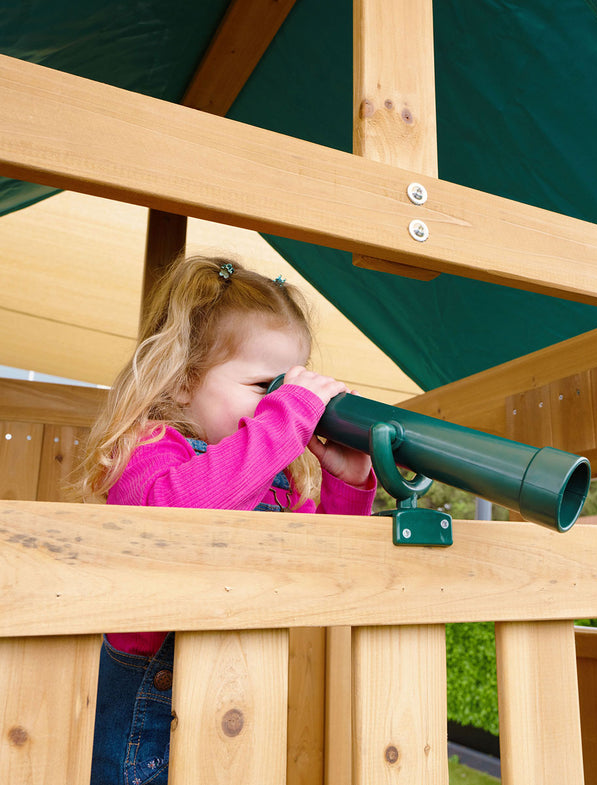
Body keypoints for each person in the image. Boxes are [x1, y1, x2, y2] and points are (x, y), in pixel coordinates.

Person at [77, 254, 376, 785]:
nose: (285, 409)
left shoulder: (276, 482)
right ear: (183, 382)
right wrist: (287, 418)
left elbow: (326, 562)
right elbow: (176, 518)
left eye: (292, 393)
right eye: (268, 389)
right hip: (152, 703)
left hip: (239, 689)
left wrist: (347, 482)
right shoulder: (148, 450)